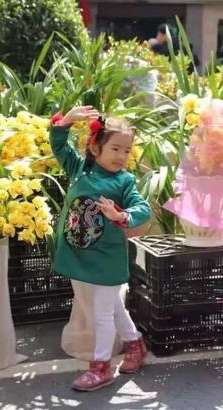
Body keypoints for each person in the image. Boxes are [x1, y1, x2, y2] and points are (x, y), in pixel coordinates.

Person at [49, 106, 151, 392]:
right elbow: (58, 144)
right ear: (95, 147)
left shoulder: (124, 181)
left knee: (102, 314)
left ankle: (101, 367)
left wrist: (122, 216)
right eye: (116, 148)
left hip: (107, 258)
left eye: (127, 151)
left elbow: (141, 208)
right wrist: (66, 121)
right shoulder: (78, 168)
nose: (122, 156)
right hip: (80, 254)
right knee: (113, 307)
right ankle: (135, 344)